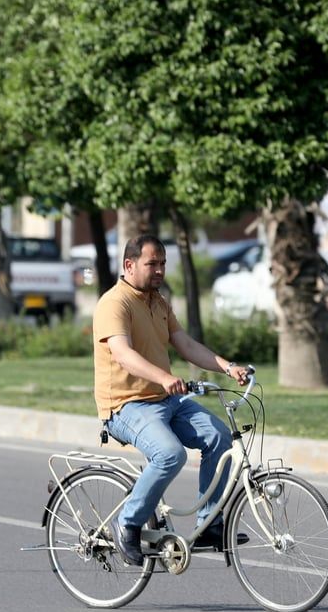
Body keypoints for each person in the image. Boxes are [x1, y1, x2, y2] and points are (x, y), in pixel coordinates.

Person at [93, 233, 250, 566]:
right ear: (129, 265)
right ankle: (128, 522)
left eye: (163, 264)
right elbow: (122, 354)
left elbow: (186, 344)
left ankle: (209, 524)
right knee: (169, 454)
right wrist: (165, 377)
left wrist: (227, 366)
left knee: (219, 437)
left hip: (164, 401)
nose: (160, 270)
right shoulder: (114, 303)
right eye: (152, 264)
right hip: (126, 405)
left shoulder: (158, 302)